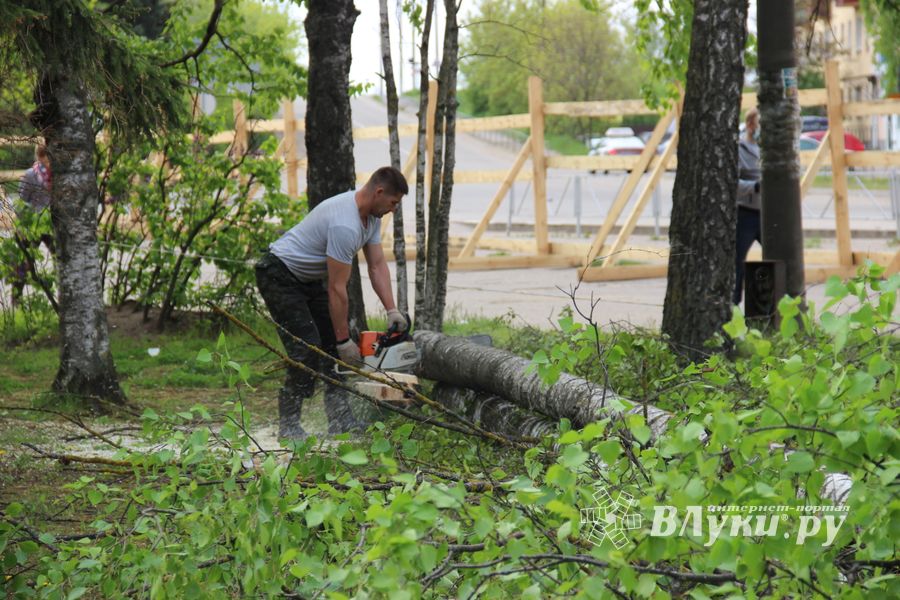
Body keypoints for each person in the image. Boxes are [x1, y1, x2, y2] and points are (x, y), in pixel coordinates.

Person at [256, 166, 409, 439]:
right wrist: (343, 341)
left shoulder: (371, 219)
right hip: (278, 274)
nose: (393, 209)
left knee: (330, 352)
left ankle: (341, 421)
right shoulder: (345, 224)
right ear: (379, 192)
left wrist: (392, 309)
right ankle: (289, 425)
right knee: (307, 349)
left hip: (306, 280)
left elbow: (376, 266)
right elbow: (337, 289)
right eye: (394, 203)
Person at [11, 144, 54, 304]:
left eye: (48, 155)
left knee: (61, 257)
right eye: (44, 155)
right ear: (38, 156)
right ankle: (16, 299)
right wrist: (22, 226)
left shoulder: (56, 175)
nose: (46, 159)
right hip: (33, 225)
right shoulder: (30, 175)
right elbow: (21, 202)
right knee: (25, 262)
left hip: (51, 225)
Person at [734, 108, 761, 306]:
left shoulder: (770, 151)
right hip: (746, 214)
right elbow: (732, 184)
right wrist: (755, 187)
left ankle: (768, 308)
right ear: (751, 125)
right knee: (737, 264)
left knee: (777, 261)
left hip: (769, 214)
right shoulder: (740, 149)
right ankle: (733, 307)